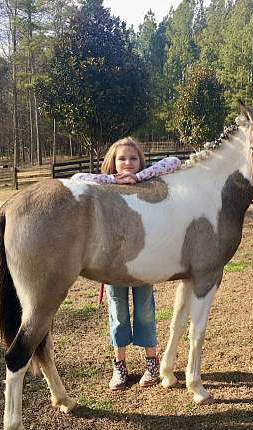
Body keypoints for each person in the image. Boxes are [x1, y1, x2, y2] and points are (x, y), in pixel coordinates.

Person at [72, 137, 181, 390]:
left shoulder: (148, 180)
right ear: (113, 161)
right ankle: (119, 366)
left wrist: (140, 177)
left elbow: (174, 162)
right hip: (110, 261)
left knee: (145, 309)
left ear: (140, 161)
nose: (128, 163)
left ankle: (151, 362)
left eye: (133, 158)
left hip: (142, 259)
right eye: (122, 158)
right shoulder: (104, 184)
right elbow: (77, 179)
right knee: (118, 313)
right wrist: (114, 180)